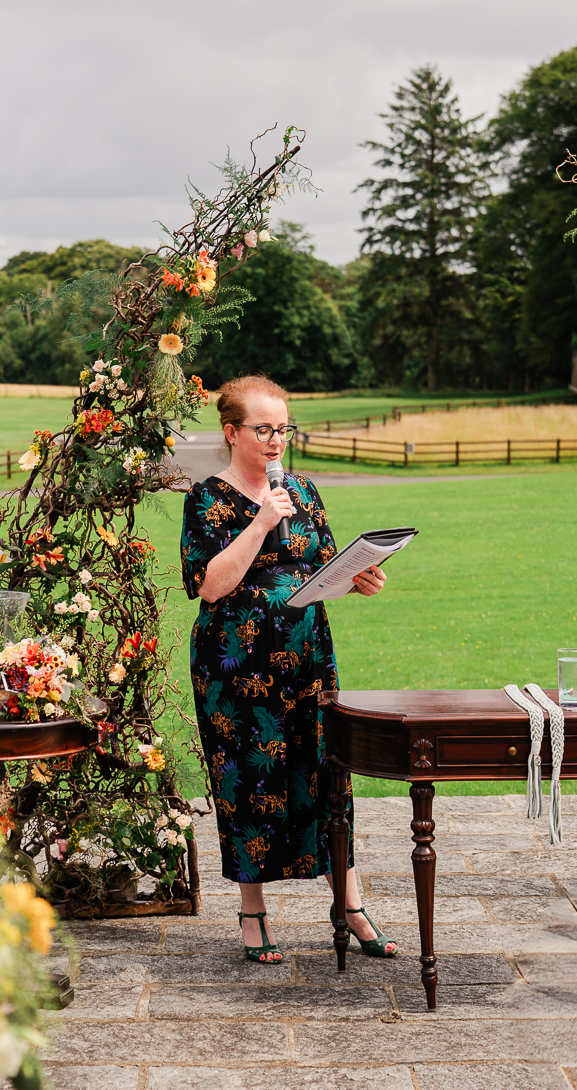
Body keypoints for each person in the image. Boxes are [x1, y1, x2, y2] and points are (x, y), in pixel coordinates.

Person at [180, 374, 395, 964]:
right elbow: (210, 585)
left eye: (283, 428)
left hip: (307, 660)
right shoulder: (206, 498)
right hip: (234, 666)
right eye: (263, 429)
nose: (276, 440)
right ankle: (252, 910)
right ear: (231, 432)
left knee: (327, 774)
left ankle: (348, 904)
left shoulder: (306, 490)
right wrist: (258, 521)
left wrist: (359, 581)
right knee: (246, 782)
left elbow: (321, 573)